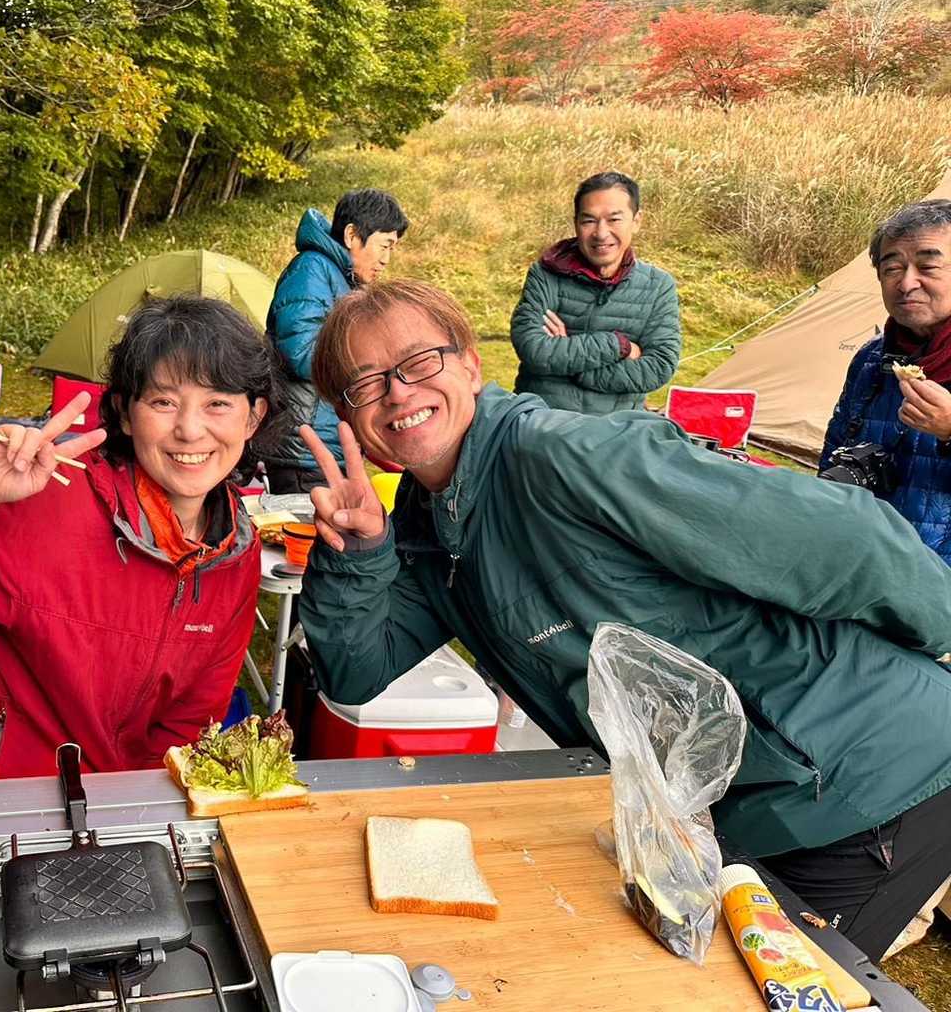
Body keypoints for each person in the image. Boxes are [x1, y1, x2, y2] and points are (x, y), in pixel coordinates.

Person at [295, 276, 951, 963]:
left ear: (471, 364)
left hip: (871, 774)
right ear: (347, 415)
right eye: (366, 383)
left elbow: (848, 539)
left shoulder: (567, 455)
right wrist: (359, 554)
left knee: (781, 987)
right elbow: (354, 670)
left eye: (420, 361)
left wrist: (940, 638)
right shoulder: (429, 526)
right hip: (741, 801)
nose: (399, 392)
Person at [0, 296, 283, 781]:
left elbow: (190, 716)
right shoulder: (49, 496)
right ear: (126, 414)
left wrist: (135, 805)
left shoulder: (234, 555)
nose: (189, 430)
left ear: (253, 418)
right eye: (163, 402)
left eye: (217, 403)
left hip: (96, 798)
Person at [822, 199, 951, 563]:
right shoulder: (871, 358)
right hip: (863, 560)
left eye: (928, 266)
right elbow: (835, 448)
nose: (907, 283)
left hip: (938, 573)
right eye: (891, 267)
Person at [264, 188, 408, 493]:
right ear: (352, 235)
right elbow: (302, 351)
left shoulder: (341, 277)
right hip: (305, 448)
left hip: (326, 444)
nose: (386, 260)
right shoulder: (312, 269)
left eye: (392, 249)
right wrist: (369, 362)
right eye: (384, 245)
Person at [510, 171, 681, 413]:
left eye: (614, 219)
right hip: (543, 422)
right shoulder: (545, 274)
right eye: (588, 221)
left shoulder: (658, 286)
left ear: (636, 221)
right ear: (576, 223)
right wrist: (619, 346)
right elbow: (534, 350)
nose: (601, 233)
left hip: (618, 428)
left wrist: (574, 364)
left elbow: (658, 367)